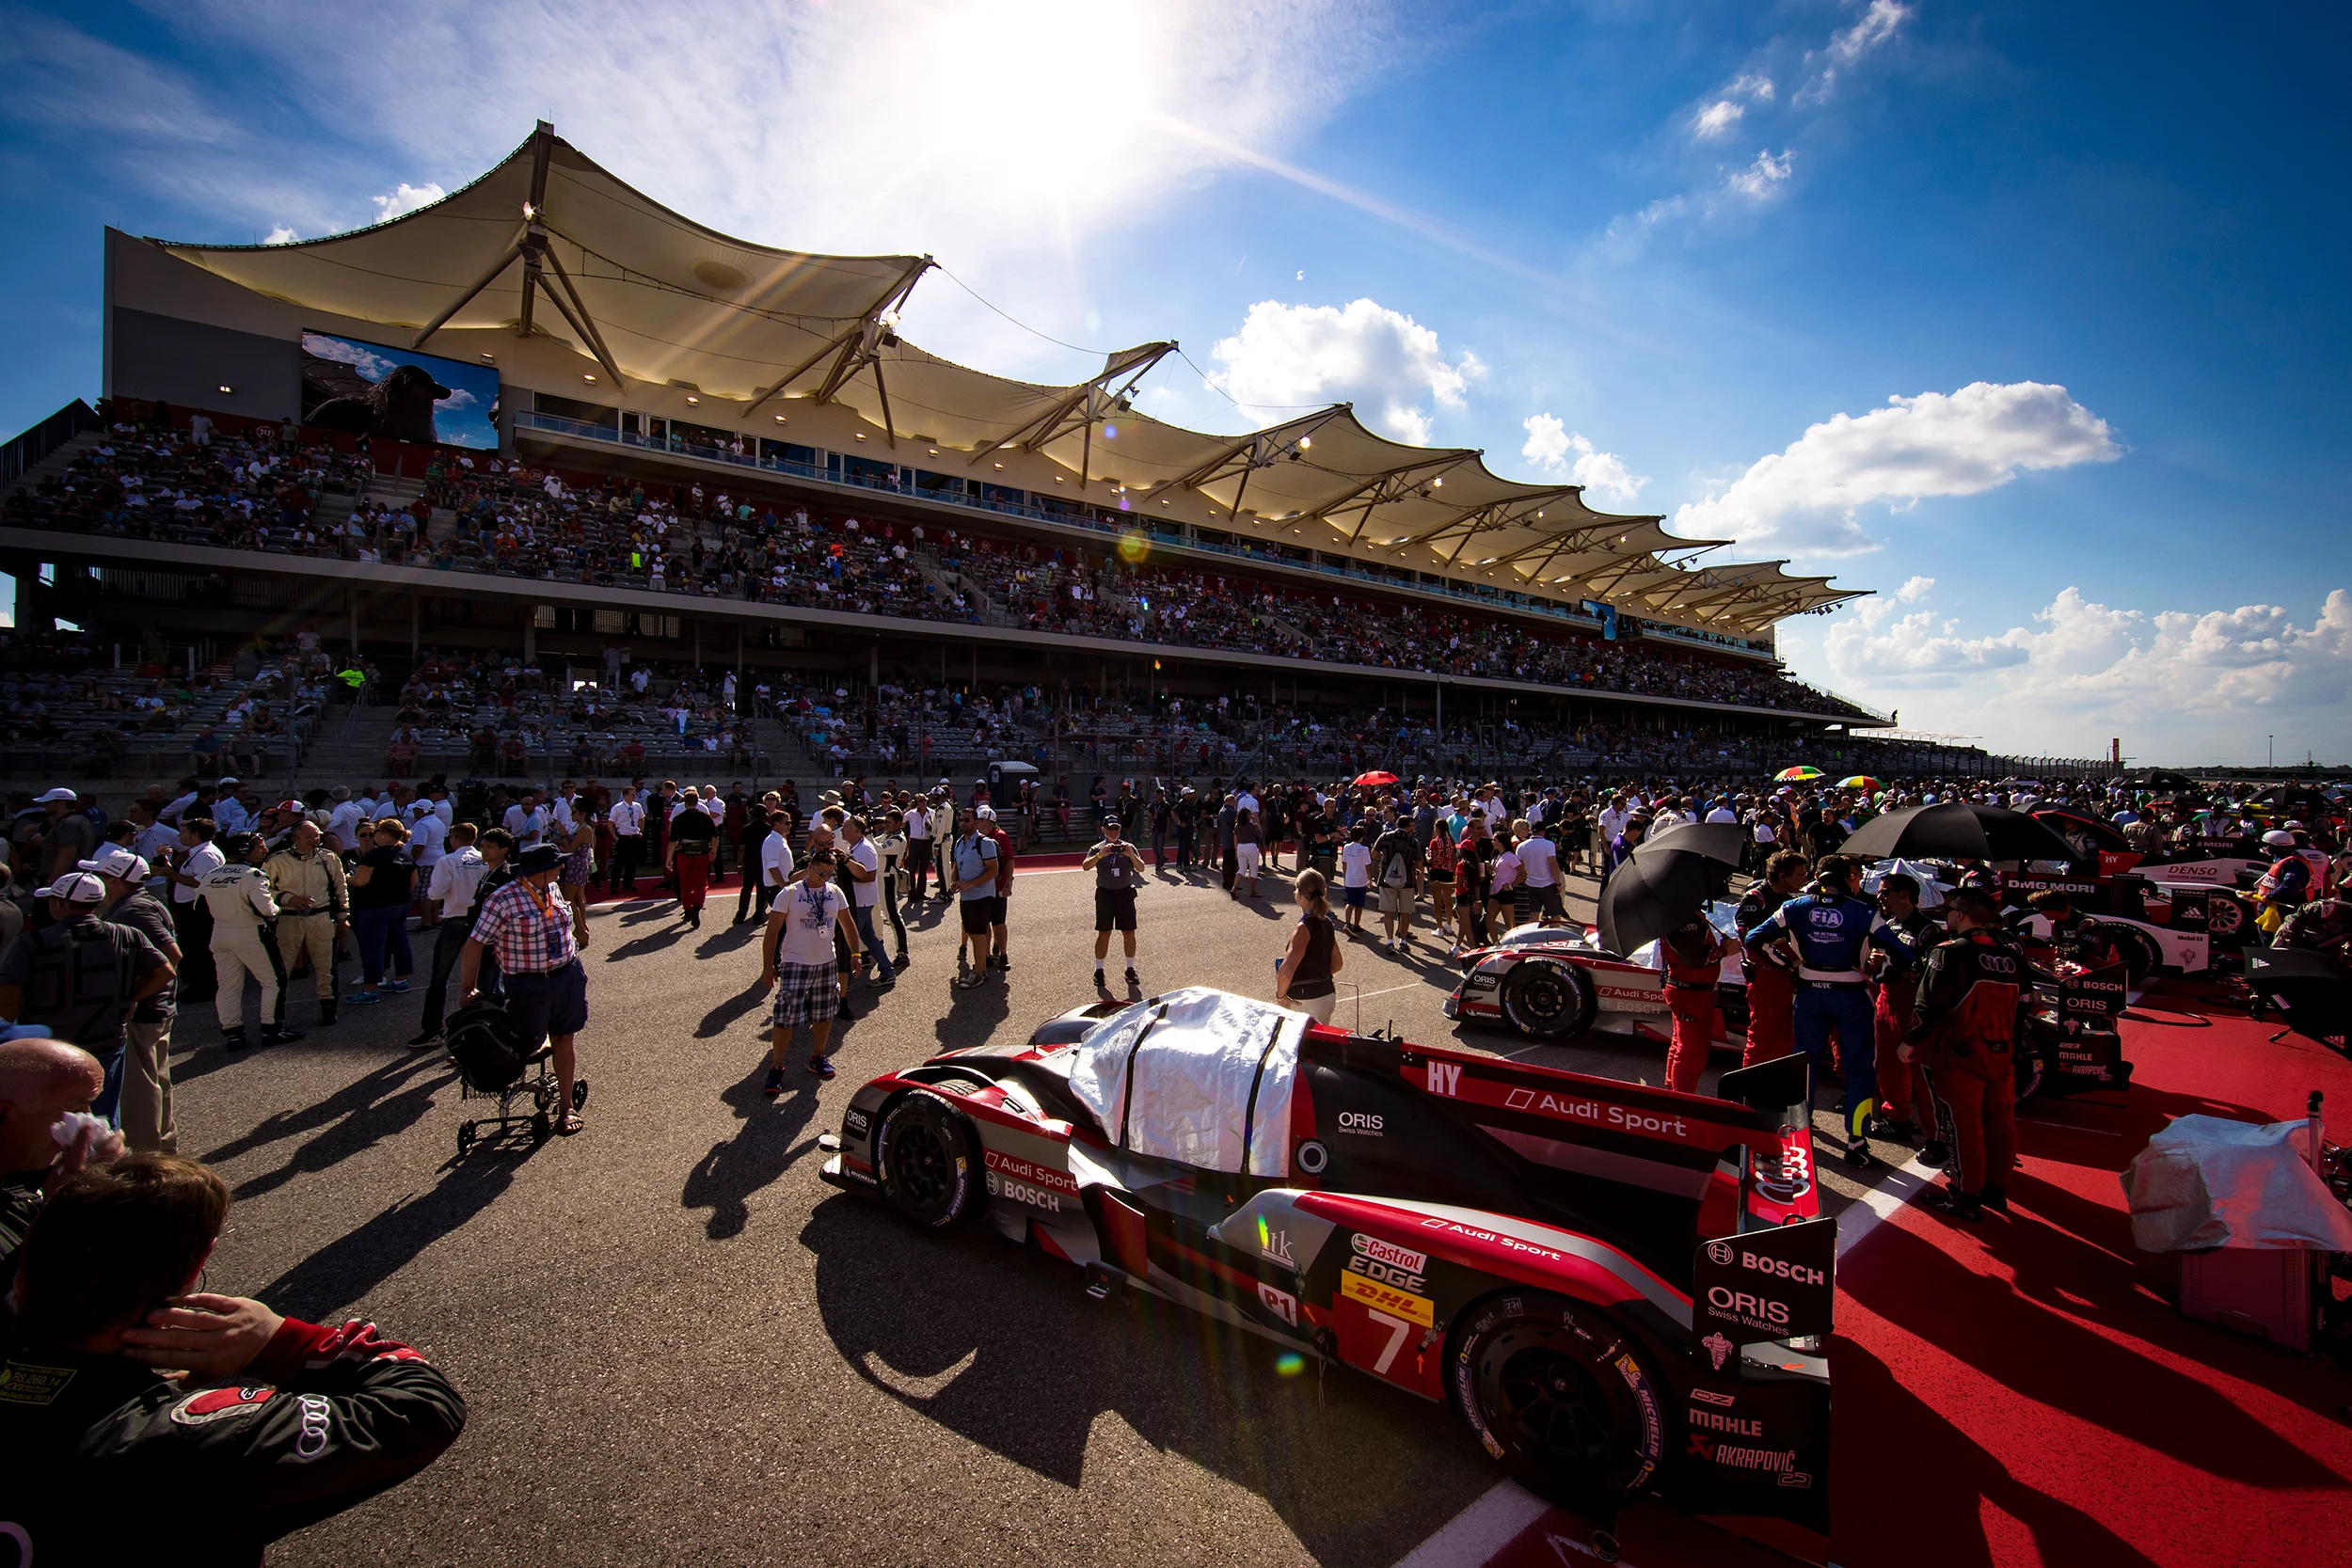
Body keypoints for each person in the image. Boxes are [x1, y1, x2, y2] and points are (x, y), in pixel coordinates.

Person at [1, 1155, 467, 1563]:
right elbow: (422, 1407)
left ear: (22, 1280)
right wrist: (278, 1341)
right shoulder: (190, 1440)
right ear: (194, 1268)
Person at [1746, 854, 1917, 1169]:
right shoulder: (1865, 912)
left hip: (1810, 993)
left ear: (1819, 877)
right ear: (1847, 879)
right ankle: (1857, 1143)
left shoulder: (1794, 907)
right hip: (1852, 995)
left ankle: (1796, 1136)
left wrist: (1788, 964)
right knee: (1859, 1070)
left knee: (1804, 1066)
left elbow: (1753, 938)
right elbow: (1905, 954)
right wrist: (1877, 974)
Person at [0, 873, 173, 1126]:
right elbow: (165, 971)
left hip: (50, 1046)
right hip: (107, 1040)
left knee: (45, 1119)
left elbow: (8, 998)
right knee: (103, 1117)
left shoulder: (32, 942)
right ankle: (103, 1162)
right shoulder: (127, 935)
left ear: (59, 903)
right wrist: (129, 998)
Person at [1904, 888, 2026, 1221]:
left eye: (1949, 909)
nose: (1946, 915)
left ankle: (1965, 1196)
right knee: (2001, 1122)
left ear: (1961, 914)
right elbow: (2026, 1004)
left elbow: (1927, 1003)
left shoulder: (1949, 953)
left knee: (1962, 1125)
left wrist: (1910, 1040)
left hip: (1962, 1053)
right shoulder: (2012, 955)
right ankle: (1995, 1190)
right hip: (2002, 1051)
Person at [457, 844, 585, 1135]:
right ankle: (509, 1096)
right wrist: (468, 988)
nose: (562, 867)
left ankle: (566, 1107)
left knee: (565, 1038)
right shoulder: (503, 900)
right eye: (557, 864)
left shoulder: (550, 889)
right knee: (522, 1045)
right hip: (527, 982)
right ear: (539, 870)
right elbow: (475, 942)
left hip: (566, 975)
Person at [81, 846, 182, 1151]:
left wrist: (132, 998)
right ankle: (162, 1148)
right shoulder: (136, 904)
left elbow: (171, 955)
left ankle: (145, 1156)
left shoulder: (134, 910)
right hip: (156, 1007)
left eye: (99, 874)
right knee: (155, 1081)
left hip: (144, 1010)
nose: (94, 878)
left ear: (114, 880)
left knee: (139, 1088)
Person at [0, 1037, 121, 1278]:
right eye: (74, 1111)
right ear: (4, 1113)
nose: (89, 1123)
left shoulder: (31, 1175)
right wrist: (65, 1214)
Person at [756, 848, 861, 1088]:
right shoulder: (790, 894)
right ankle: (777, 1066)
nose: (825, 878)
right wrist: (768, 966)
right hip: (795, 962)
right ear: (811, 867)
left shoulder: (835, 892)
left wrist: (855, 954)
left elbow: (848, 925)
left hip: (826, 962)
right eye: (821, 872)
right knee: (785, 1017)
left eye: (830, 873)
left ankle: (818, 1057)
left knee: (824, 1013)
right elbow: (772, 932)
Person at [199, 834, 304, 1052]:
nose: (265, 850)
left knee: (228, 985)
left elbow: (199, 907)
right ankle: (271, 1029)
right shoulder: (253, 875)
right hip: (250, 932)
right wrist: (278, 910)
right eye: (261, 846)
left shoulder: (211, 875)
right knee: (273, 981)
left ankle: (233, 1034)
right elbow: (267, 909)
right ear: (245, 849)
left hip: (219, 932)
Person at [1867, 873, 1943, 1151]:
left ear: (1905, 895)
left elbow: (1931, 973)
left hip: (1914, 1006)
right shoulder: (1887, 925)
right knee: (1888, 1064)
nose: (1880, 898)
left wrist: (1900, 962)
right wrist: (1875, 960)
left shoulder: (1929, 931)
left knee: (1922, 1073)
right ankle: (1896, 1117)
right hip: (1887, 1001)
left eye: (1885, 892)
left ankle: (1937, 1135)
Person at [411, 822, 489, 1048]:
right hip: (480, 922)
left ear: (454, 839)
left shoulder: (447, 861)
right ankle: (480, 1027)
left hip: (455, 919)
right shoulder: (484, 860)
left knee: (439, 978)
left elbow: (435, 892)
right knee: (482, 978)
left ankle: (432, 1030)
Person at [263, 819, 346, 1030]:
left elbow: (340, 887)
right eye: (309, 836)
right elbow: (262, 890)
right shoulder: (277, 860)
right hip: (289, 919)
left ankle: (328, 1009)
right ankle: (274, 1017)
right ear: (295, 838)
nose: (315, 839)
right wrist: (287, 898)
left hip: (321, 917)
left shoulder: (328, 858)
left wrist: (344, 916)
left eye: (317, 835)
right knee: (282, 969)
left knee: (325, 966)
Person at [1737, 851, 1809, 1069]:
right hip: (1765, 975)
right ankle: (1748, 1090)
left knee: (1784, 1035)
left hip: (1786, 976)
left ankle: (1775, 1085)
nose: (1804, 879)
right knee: (1763, 1034)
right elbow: (1749, 937)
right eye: (1800, 874)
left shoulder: (1790, 900)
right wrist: (1786, 961)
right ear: (1782, 875)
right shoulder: (1756, 899)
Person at [1661, 912, 1739, 1095]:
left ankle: (1672, 1092)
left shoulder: (1686, 914)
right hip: (1690, 993)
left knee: (1681, 1044)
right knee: (1692, 1052)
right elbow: (1694, 959)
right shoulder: (1682, 919)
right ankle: (1682, 1102)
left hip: (1690, 991)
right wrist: (1725, 950)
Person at [344, 819, 416, 1007]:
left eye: (376, 832)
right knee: (400, 941)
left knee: (373, 948)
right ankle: (401, 980)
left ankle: (369, 990)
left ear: (384, 834)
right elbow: (413, 882)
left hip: (375, 906)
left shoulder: (374, 855)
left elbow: (360, 881)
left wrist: (346, 878)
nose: (373, 836)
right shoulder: (406, 854)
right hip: (401, 904)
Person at [162, 816, 225, 1006]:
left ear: (195, 835)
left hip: (199, 908)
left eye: (183, 832)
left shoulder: (207, 855)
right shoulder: (195, 853)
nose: (180, 835)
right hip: (188, 907)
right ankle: (194, 985)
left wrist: (172, 875)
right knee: (190, 947)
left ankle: (205, 987)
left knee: (199, 948)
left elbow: (202, 882)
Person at [1084, 816, 1146, 990]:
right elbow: (1085, 866)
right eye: (1110, 829)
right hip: (1105, 895)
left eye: (1116, 829)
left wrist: (1131, 856)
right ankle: (1099, 970)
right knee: (1104, 933)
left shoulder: (1128, 847)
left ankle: (1130, 968)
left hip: (1125, 894)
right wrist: (1100, 855)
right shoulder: (1097, 848)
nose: (1113, 832)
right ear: (1103, 829)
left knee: (1129, 932)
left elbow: (1141, 868)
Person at [1275, 867, 1343, 1023]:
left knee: (1299, 1046)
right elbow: (1337, 963)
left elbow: (1285, 973)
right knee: (1319, 1046)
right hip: (1326, 994)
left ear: (1299, 895)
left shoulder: (1303, 927)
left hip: (1305, 1000)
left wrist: (1281, 997)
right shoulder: (1327, 923)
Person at [837, 816, 898, 990]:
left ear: (857, 831)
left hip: (861, 902)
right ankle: (887, 971)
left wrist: (845, 880)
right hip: (860, 900)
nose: (842, 830)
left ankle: (846, 980)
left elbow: (869, 876)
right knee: (868, 937)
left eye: (846, 827)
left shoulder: (865, 850)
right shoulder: (856, 847)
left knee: (848, 938)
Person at [949, 807, 1001, 989]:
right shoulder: (959, 843)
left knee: (978, 934)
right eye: (961, 820)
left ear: (976, 822)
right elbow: (956, 866)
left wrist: (971, 883)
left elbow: (994, 870)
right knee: (971, 932)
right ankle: (980, 968)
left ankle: (979, 972)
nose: (962, 823)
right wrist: (954, 881)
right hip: (966, 896)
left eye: (966, 820)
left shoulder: (984, 843)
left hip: (982, 895)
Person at [667, 791, 718, 928]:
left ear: (684, 802)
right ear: (697, 802)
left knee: (685, 883)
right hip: (701, 852)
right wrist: (713, 851)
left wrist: (668, 859)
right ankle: (697, 906)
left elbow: (672, 841)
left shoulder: (678, 818)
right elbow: (715, 836)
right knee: (701, 884)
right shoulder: (705, 817)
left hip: (683, 853)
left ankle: (688, 908)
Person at [1373, 812, 1421, 951]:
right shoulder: (1413, 841)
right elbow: (1419, 863)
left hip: (1387, 878)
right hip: (1407, 880)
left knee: (1388, 912)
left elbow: (1374, 854)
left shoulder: (1385, 836)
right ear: (1409, 827)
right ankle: (1403, 941)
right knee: (1405, 912)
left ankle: (1389, 941)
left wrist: (1386, 858)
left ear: (1397, 824)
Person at [607, 784, 647, 894]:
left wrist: (640, 831)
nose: (634, 797)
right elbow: (610, 823)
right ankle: (614, 886)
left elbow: (642, 819)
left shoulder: (637, 806)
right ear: (625, 795)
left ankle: (628, 885)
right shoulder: (617, 807)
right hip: (623, 837)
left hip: (634, 837)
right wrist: (615, 837)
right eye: (632, 795)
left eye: (635, 795)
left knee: (632, 863)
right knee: (618, 863)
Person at [1338, 823, 1373, 935]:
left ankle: (1347, 922)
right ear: (1361, 837)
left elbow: (1344, 863)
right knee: (1359, 904)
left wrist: (1345, 875)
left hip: (1350, 879)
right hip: (1361, 879)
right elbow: (1368, 865)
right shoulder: (1364, 849)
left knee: (1350, 901)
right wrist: (1370, 878)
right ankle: (1356, 924)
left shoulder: (1346, 847)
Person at [1234, 807, 1263, 898]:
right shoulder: (1251, 826)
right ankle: (1253, 891)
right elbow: (1260, 833)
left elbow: (1235, 839)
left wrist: (1236, 852)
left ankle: (1234, 888)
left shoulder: (1237, 826)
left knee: (1241, 869)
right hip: (1251, 846)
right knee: (1253, 869)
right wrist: (1255, 822)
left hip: (1240, 847)